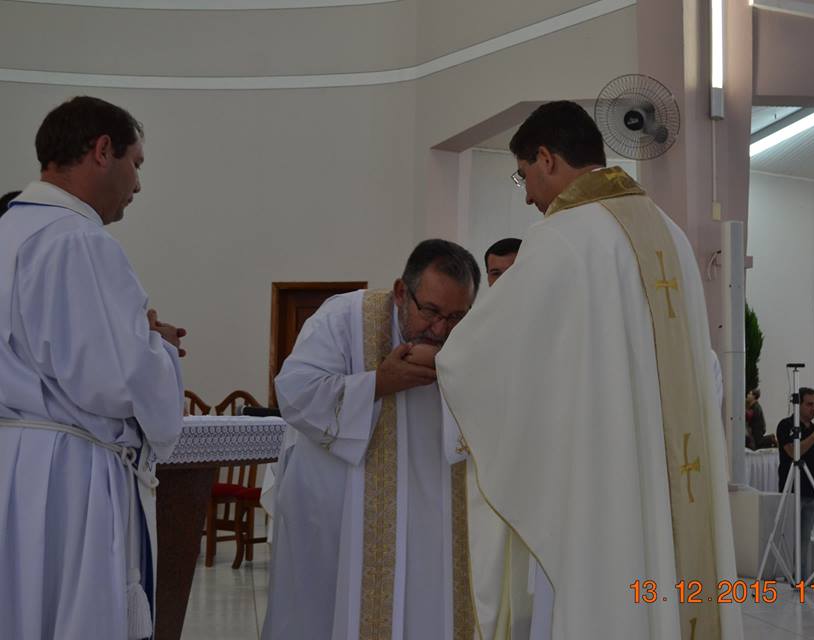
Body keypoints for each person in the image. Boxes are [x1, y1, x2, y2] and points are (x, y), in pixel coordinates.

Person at [436, 101, 742, 639]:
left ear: (547, 158)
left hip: (605, 483)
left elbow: (483, 355)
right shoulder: (671, 235)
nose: (527, 195)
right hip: (673, 475)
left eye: (523, 175)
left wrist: (443, 359)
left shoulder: (563, 236)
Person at [0, 96, 186, 639]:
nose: (138, 184)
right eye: (136, 163)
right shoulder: (78, 240)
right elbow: (120, 380)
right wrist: (158, 348)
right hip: (68, 477)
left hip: (14, 463)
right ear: (103, 150)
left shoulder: (8, 231)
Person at [263, 239, 480, 640]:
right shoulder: (343, 319)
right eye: (430, 311)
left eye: (455, 317)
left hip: (428, 514)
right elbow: (294, 393)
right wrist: (378, 383)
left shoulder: (470, 338)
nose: (440, 329)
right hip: (340, 510)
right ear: (401, 292)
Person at [775, 387, 814, 578]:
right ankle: (787, 574)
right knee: (790, 535)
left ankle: (802, 577)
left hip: (811, 490)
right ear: (798, 404)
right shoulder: (786, 425)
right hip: (792, 489)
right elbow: (794, 453)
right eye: (809, 404)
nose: (813, 409)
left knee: (805, 538)